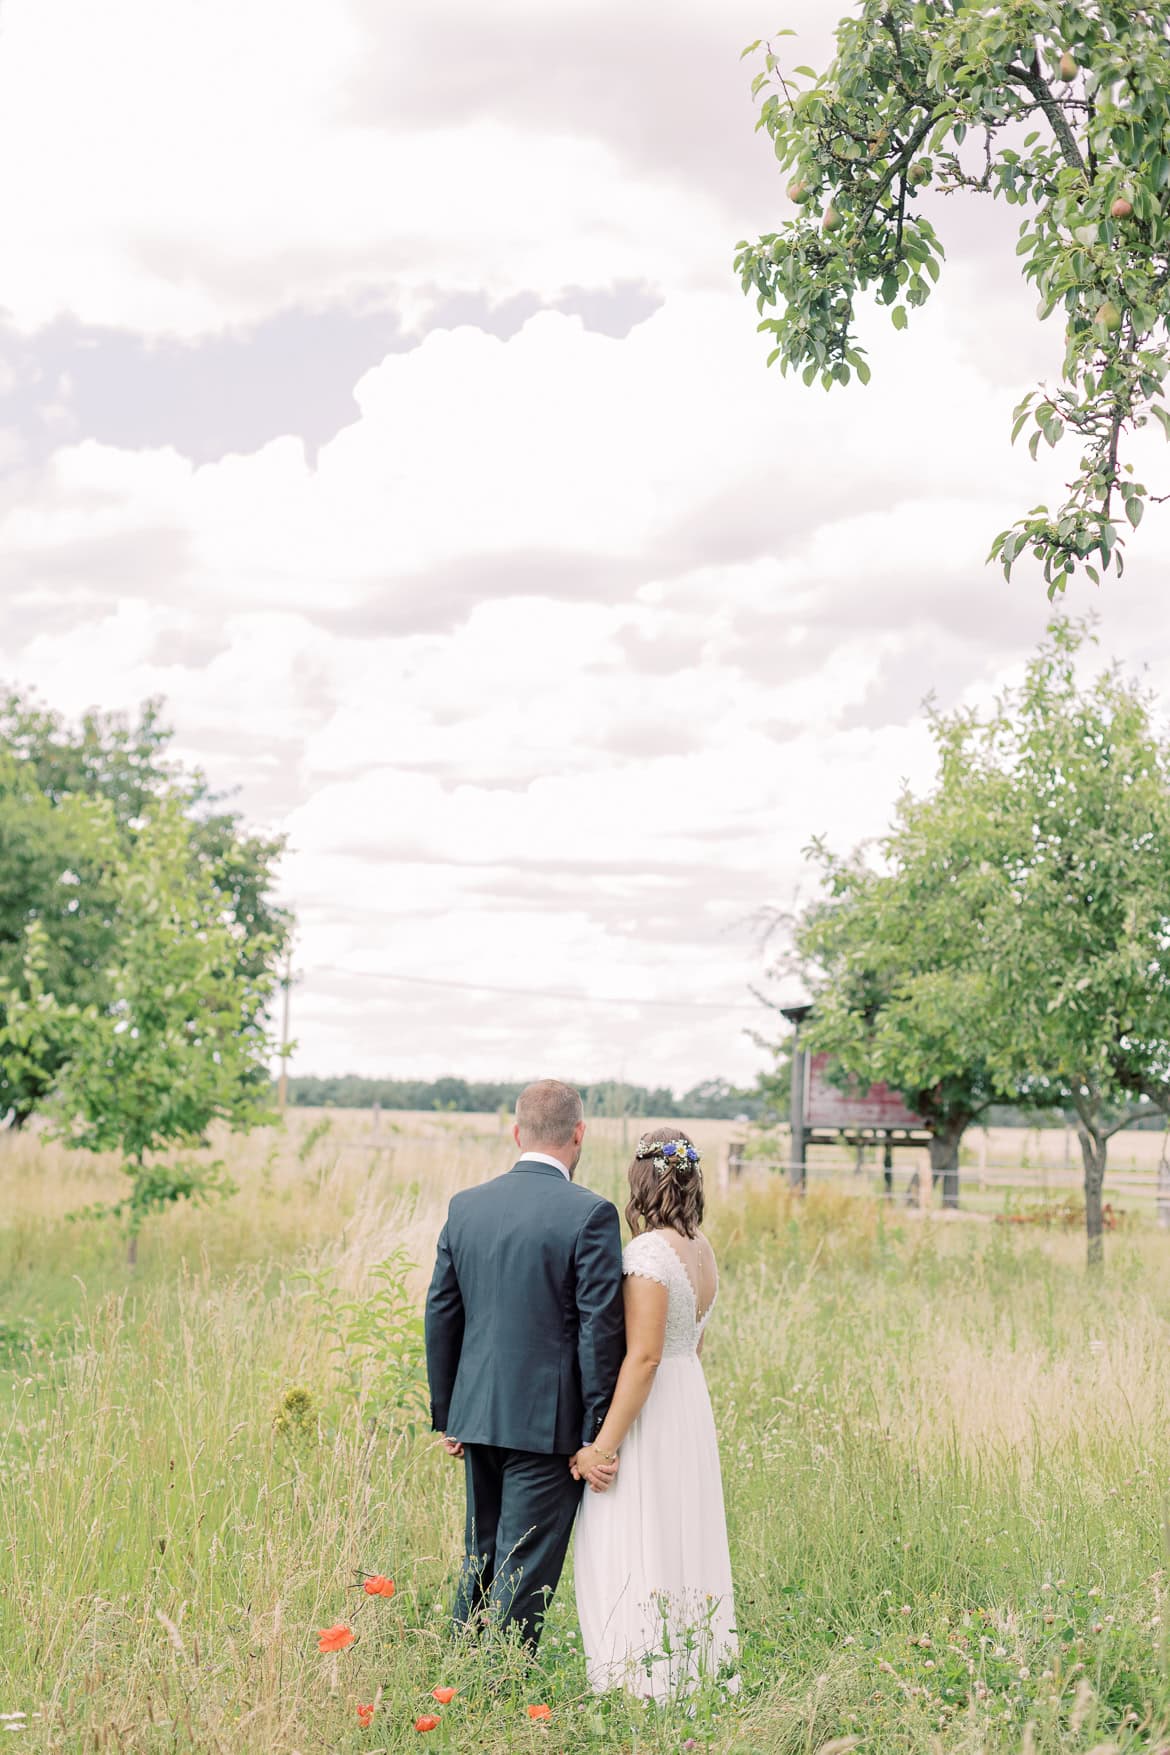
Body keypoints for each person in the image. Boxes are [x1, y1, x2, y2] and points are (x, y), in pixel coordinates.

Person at [424, 1078, 625, 1649]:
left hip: (478, 1415)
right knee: (525, 1560)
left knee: (481, 1551)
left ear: (517, 1133)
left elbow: (442, 1313)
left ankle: (460, 1672)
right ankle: (498, 1688)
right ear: (579, 1134)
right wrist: (596, 1436)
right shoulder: (590, 1214)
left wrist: (450, 1414)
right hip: (550, 1428)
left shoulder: (467, 1207)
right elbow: (598, 1333)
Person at [572, 1125, 738, 1700]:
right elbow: (690, 1344)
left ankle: (641, 1678)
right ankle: (692, 1664)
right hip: (688, 1397)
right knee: (679, 1528)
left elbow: (642, 1358)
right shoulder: (702, 1249)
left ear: (642, 1179)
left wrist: (602, 1447)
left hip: (653, 1401)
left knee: (631, 1527)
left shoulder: (646, 1252)